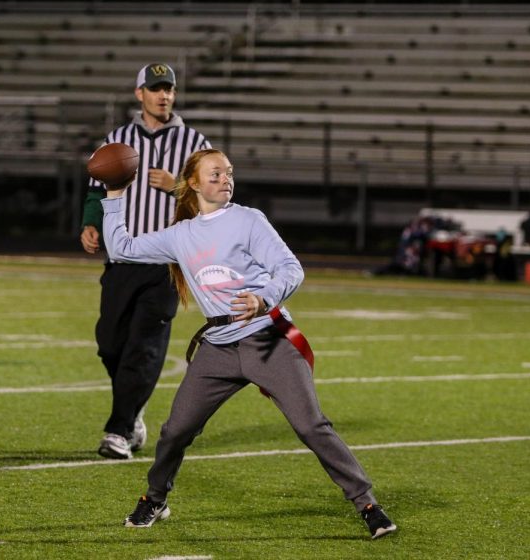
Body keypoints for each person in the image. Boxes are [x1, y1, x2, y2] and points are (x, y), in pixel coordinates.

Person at [102, 149, 397, 540]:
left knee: (311, 425)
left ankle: (368, 505)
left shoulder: (248, 220)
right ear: (193, 183)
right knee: (175, 431)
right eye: (216, 173)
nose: (226, 179)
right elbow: (121, 248)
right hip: (217, 348)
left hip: (266, 339)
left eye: (229, 173)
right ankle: (155, 498)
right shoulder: (180, 235)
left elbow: (291, 268)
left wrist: (263, 298)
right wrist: (113, 194)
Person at [80, 63, 211, 460]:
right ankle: (133, 412)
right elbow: (95, 189)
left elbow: (214, 197)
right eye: (155, 89)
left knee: (145, 346)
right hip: (122, 257)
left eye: (168, 88)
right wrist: (90, 224)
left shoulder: (194, 141)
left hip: (168, 262)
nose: (163, 95)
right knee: (110, 345)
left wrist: (179, 186)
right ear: (140, 94)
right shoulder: (117, 138)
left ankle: (117, 431)